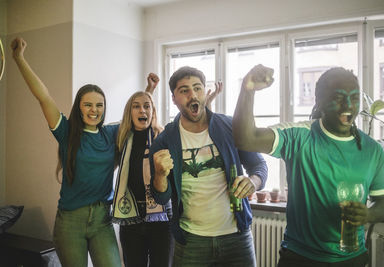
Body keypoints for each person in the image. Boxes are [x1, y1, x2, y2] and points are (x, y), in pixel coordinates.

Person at [232, 64, 384, 266]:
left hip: (351, 259)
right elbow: (246, 139)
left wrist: (368, 214)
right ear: (319, 102)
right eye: (338, 97)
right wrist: (248, 89)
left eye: (354, 97)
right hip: (299, 258)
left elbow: (382, 202)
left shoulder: (373, 150)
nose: (348, 105)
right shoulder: (300, 136)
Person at [11, 37, 121, 267]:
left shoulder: (111, 133)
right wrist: (19, 59)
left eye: (99, 105)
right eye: (88, 104)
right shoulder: (66, 131)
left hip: (102, 220)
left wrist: (150, 89)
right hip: (70, 222)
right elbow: (43, 96)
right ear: (78, 107)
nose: (94, 110)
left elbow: (137, 116)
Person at [149, 66, 268, 266]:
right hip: (191, 241)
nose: (193, 95)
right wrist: (160, 175)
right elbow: (161, 196)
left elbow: (259, 166)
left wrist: (253, 182)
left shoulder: (231, 126)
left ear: (205, 92)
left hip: (237, 237)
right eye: (184, 90)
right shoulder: (164, 141)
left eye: (197, 88)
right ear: (174, 99)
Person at [111, 75, 174, 267]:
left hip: (161, 219)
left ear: (153, 111)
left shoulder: (161, 136)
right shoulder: (121, 137)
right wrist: (149, 89)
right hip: (131, 218)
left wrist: (149, 92)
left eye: (147, 106)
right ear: (129, 112)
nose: (142, 110)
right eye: (136, 106)